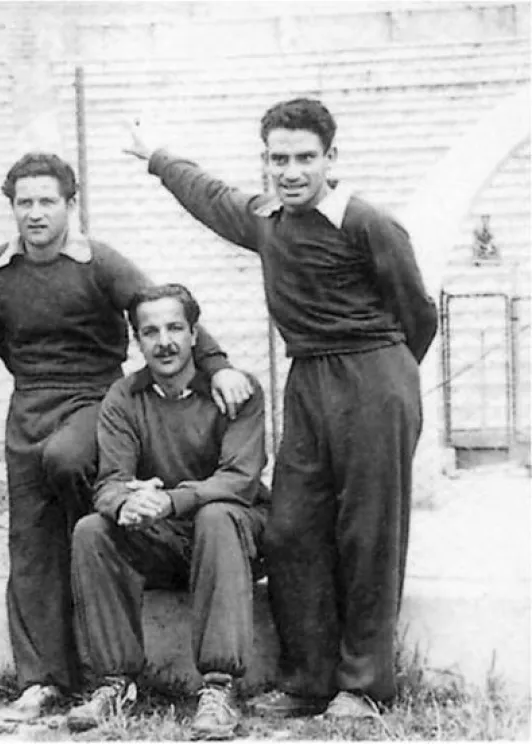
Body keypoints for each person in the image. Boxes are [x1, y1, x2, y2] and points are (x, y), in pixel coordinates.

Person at [124, 98, 438, 718]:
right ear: (265, 161)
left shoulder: (368, 222)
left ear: (331, 158)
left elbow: (418, 313)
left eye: (304, 158)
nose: (290, 171)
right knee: (293, 530)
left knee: (368, 532)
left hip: (373, 374)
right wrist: (158, 158)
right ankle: (310, 678)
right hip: (308, 380)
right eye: (277, 159)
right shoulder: (268, 218)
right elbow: (211, 195)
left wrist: (388, 383)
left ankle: (364, 686)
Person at [0, 152, 255, 721]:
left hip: (92, 396)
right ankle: (46, 678)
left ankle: (132, 600)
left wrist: (219, 362)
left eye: (47, 200)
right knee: (33, 540)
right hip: (29, 402)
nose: (35, 213)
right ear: (11, 208)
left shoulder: (98, 261)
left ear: (70, 206)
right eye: (23, 202)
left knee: (71, 465)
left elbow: (162, 312)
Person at [66, 283, 270, 739]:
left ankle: (219, 688)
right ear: (137, 341)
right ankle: (115, 682)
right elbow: (109, 482)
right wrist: (127, 502)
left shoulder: (236, 391)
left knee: (215, 515)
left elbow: (240, 480)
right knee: (91, 530)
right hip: (163, 535)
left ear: (195, 333)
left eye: (176, 327)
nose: (165, 342)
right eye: (151, 331)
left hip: (235, 537)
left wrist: (171, 500)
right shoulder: (124, 396)